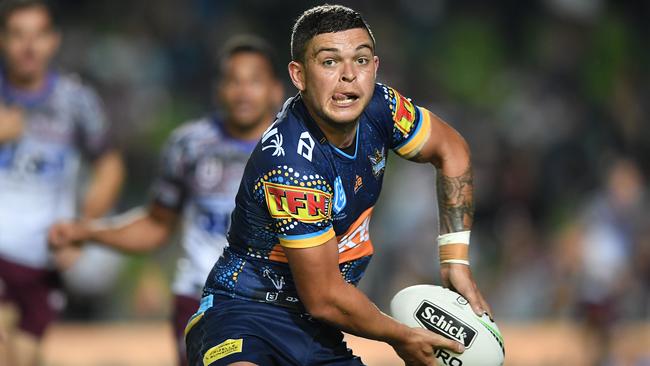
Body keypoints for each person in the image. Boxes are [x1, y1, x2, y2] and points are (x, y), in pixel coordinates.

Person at [181, 4, 493, 366]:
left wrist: (455, 261)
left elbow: (452, 150)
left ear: (375, 68)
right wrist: (404, 336)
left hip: (318, 331)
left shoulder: (383, 106)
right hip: (242, 315)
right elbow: (324, 296)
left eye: (360, 61)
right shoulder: (291, 163)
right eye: (329, 62)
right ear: (299, 75)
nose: (348, 76)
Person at [48, 36, 284, 366]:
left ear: (276, 88)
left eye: (254, 81)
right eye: (233, 81)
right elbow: (157, 224)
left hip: (277, 303)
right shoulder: (190, 146)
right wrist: (89, 232)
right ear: (219, 89)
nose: (243, 92)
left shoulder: (299, 152)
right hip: (203, 299)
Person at [0, 1, 124, 365]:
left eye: (38, 35)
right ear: (3, 41)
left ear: (53, 41)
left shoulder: (76, 101)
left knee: (26, 357)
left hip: (43, 259)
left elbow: (111, 166)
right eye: (18, 35)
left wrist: (82, 228)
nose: (28, 46)